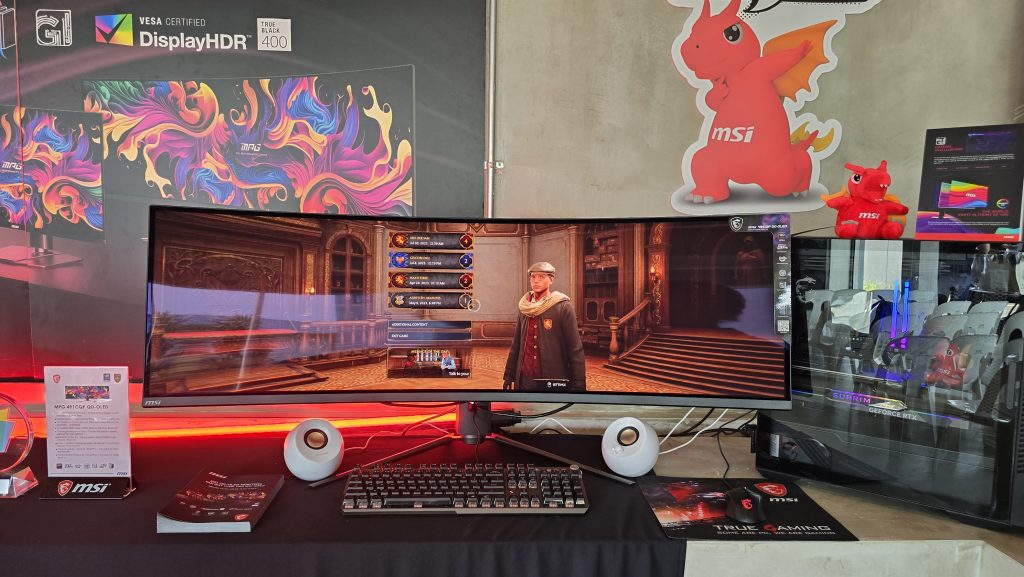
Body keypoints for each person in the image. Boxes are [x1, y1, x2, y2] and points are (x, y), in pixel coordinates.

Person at [503, 262, 586, 391]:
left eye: (541, 276)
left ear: (551, 280)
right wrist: (509, 375)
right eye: (533, 276)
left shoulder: (563, 307)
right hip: (524, 378)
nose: (536, 281)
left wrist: (579, 383)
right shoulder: (524, 307)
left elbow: (575, 348)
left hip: (551, 377)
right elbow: (516, 344)